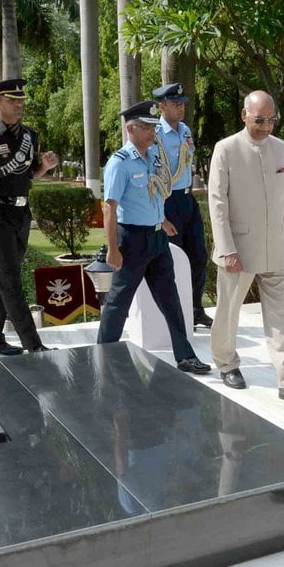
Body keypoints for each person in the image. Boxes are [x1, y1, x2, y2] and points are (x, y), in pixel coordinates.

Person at [96, 99, 212, 375]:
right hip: (132, 240)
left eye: (153, 127)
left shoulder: (154, 157)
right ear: (132, 129)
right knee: (118, 303)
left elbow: (155, 196)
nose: (153, 132)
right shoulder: (120, 163)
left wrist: (163, 220)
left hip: (157, 238)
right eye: (147, 127)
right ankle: (103, 356)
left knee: (170, 300)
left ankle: (185, 356)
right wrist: (113, 249)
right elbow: (109, 208)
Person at [208, 90, 284, 406]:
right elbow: (217, 202)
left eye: (271, 120)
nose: (266, 126)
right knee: (228, 311)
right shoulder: (225, 149)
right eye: (259, 120)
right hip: (238, 249)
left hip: (276, 247)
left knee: (281, 316)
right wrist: (226, 248)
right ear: (244, 115)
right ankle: (227, 363)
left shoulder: (282, 149)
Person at [0, 78, 58, 356]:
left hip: (21, 214)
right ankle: (33, 344)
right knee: (11, 281)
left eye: (20, 101)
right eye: (11, 101)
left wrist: (45, 168)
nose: (18, 105)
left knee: (7, 279)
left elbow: (26, 177)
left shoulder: (29, 135)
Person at [154, 81, 212, 328]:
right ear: (162, 106)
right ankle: (176, 313)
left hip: (187, 199)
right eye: (175, 104)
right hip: (168, 201)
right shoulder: (155, 134)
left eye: (182, 104)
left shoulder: (185, 130)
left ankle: (196, 309)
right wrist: (160, 216)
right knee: (173, 259)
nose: (181, 108)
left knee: (198, 255)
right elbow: (153, 176)